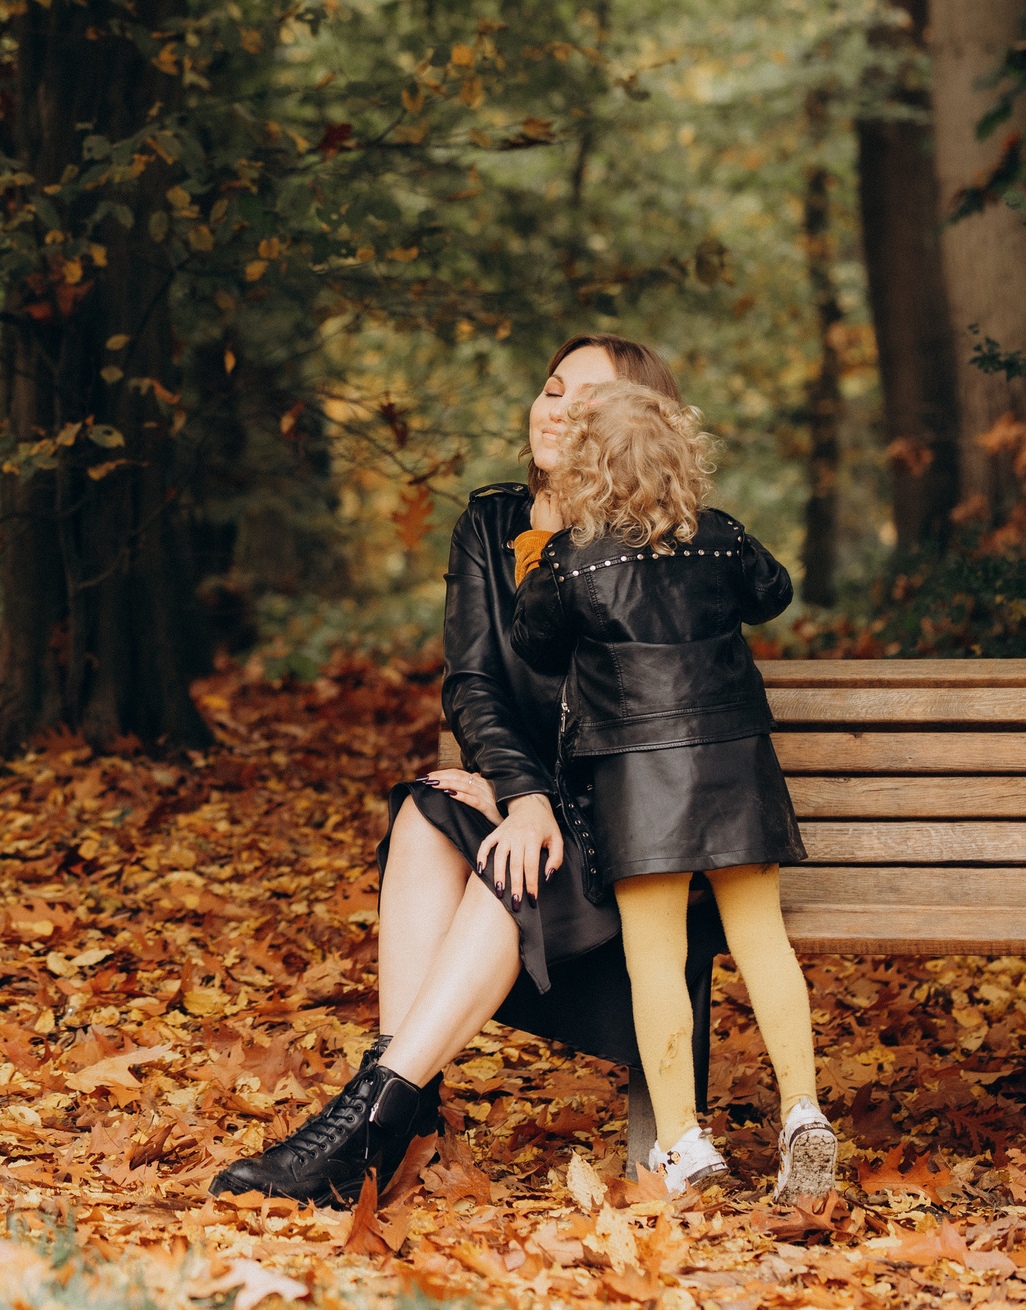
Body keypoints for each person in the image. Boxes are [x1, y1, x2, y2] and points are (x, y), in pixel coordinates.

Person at [211, 334, 727, 1206]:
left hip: (637, 818)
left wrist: (536, 799)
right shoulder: (491, 524)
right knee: (424, 811)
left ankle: (365, 1121)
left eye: (587, 401)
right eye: (552, 386)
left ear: (636, 424)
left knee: (507, 862)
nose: (557, 409)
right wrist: (519, 792)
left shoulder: (660, 543)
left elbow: (645, 716)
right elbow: (475, 682)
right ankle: (397, 1110)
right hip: (537, 796)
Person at [506, 380, 837, 1198]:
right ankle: (803, 1111)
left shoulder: (574, 562)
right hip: (736, 769)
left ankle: (685, 1139)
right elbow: (775, 592)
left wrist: (540, 556)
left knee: (656, 957)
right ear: (681, 455)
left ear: (585, 467)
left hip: (637, 782)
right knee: (763, 941)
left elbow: (535, 647)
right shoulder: (720, 540)